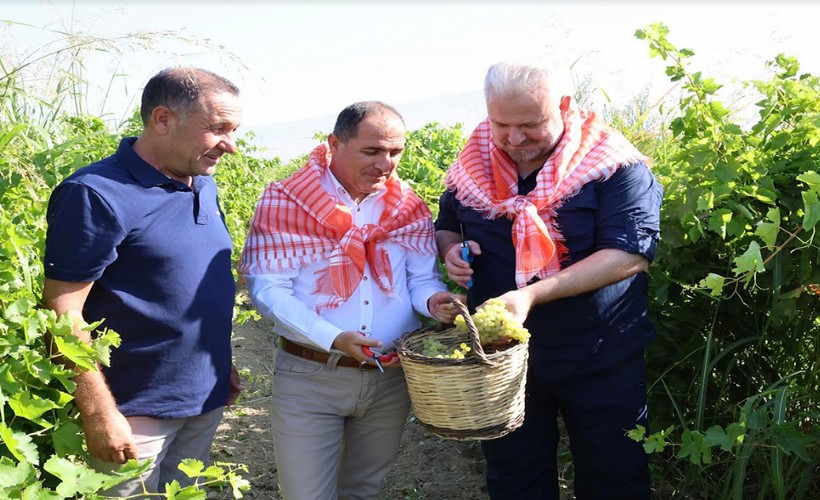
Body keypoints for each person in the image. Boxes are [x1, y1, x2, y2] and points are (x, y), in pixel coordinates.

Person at [435, 62, 663, 499]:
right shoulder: (473, 162)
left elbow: (628, 255)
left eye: (530, 124)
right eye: (501, 124)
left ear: (562, 106)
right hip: (504, 357)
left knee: (613, 473)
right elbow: (449, 222)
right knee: (514, 474)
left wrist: (531, 295)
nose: (515, 139)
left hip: (599, 353)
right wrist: (451, 251)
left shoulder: (612, 165)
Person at [238, 101, 462, 500]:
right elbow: (269, 289)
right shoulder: (289, 201)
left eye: (395, 152)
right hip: (311, 375)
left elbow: (420, 280)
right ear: (335, 144)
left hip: (389, 377)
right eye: (372, 151)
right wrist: (333, 336)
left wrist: (434, 302)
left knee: (364, 491)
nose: (385, 163)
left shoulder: (406, 206)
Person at [41, 67, 243, 497]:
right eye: (218, 129)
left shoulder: (202, 183)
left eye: (234, 129)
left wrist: (219, 364)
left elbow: (180, 286)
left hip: (203, 401)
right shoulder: (96, 193)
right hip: (133, 415)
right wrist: (99, 414)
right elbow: (62, 313)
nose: (230, 145)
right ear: (163, 120)